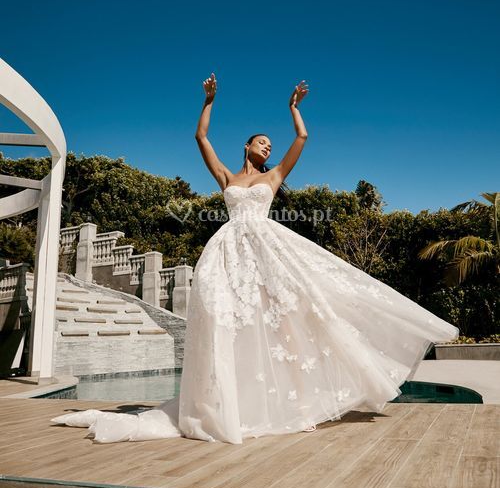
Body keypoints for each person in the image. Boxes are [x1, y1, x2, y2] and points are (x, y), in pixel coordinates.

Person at [51, 73, 459, 443]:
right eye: (261, 141)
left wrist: (294, 109)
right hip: (228, 251)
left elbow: (301, 141)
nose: (268, 146)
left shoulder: (274, 176)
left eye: (270, 144)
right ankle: (230, 399)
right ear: (247, 146)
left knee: (292, 316)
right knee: (224, 317)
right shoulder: (228, 178)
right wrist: (208, 101)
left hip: (266, 248)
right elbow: (201, 139)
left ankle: (295, 400)